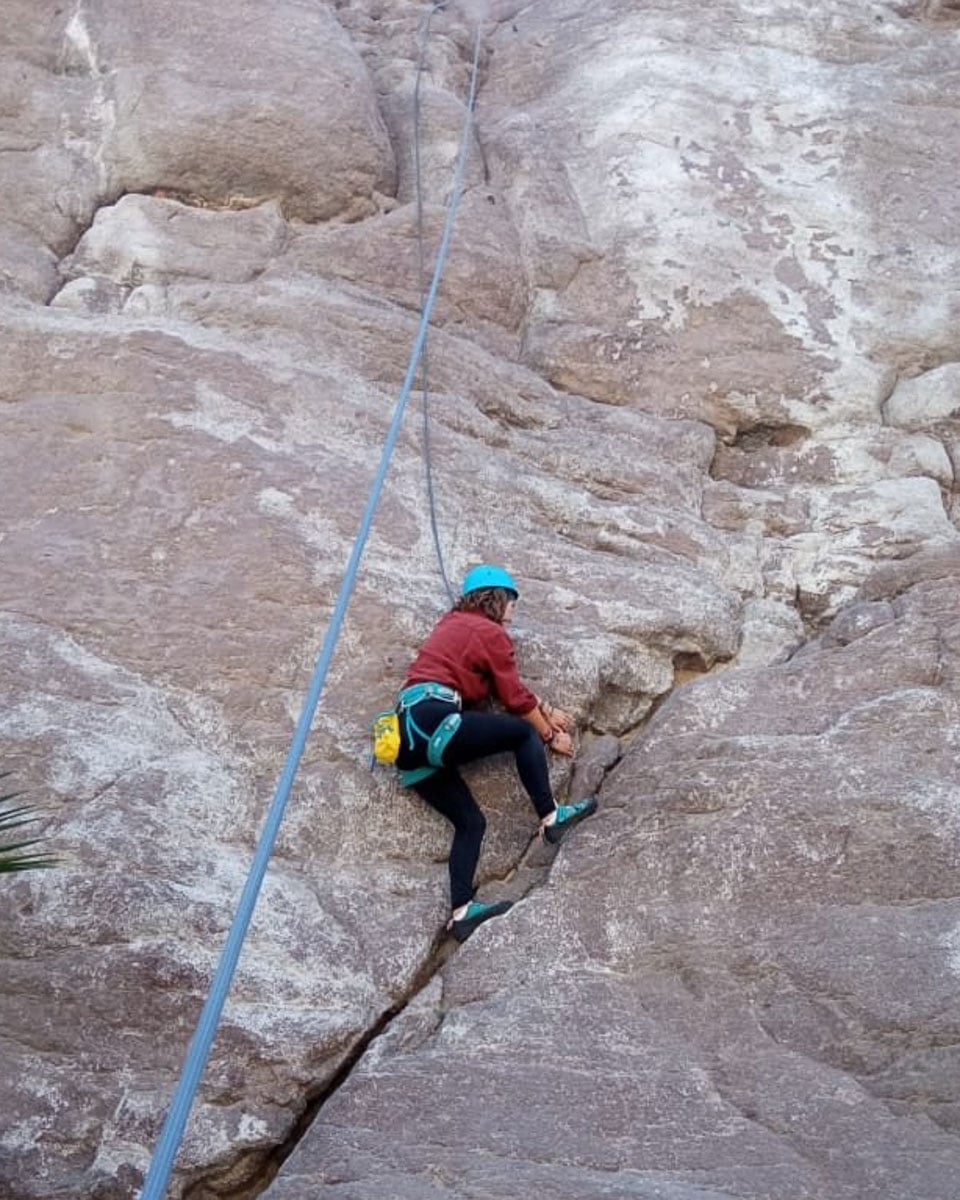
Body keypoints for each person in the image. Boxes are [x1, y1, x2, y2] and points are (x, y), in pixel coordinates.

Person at [396, 564, 598, 942]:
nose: (513, 612)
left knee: (471, 822)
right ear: (496, 599)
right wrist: (549, 733)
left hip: (409, 740)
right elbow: (513, 698)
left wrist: (546, 707)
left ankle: (462, 913)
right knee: (523, 734)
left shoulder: (452, 625)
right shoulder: (490, 631)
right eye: (512, 602)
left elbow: (492, 688)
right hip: (435, 718)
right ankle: (551, 816)